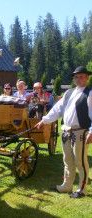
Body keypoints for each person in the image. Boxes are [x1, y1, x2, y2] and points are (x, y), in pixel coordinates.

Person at [35, 66, 92, 198]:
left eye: (81, 76)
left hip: (80, 132)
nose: (78, 79)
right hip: (66, 131)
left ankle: (82, 189)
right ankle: (67, 185)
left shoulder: (90, 94)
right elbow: (57, 109)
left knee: (81, 161)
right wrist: (44, 120)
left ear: (87, 78)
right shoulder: (69, 93)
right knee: (67, 160)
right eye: (76, 77)